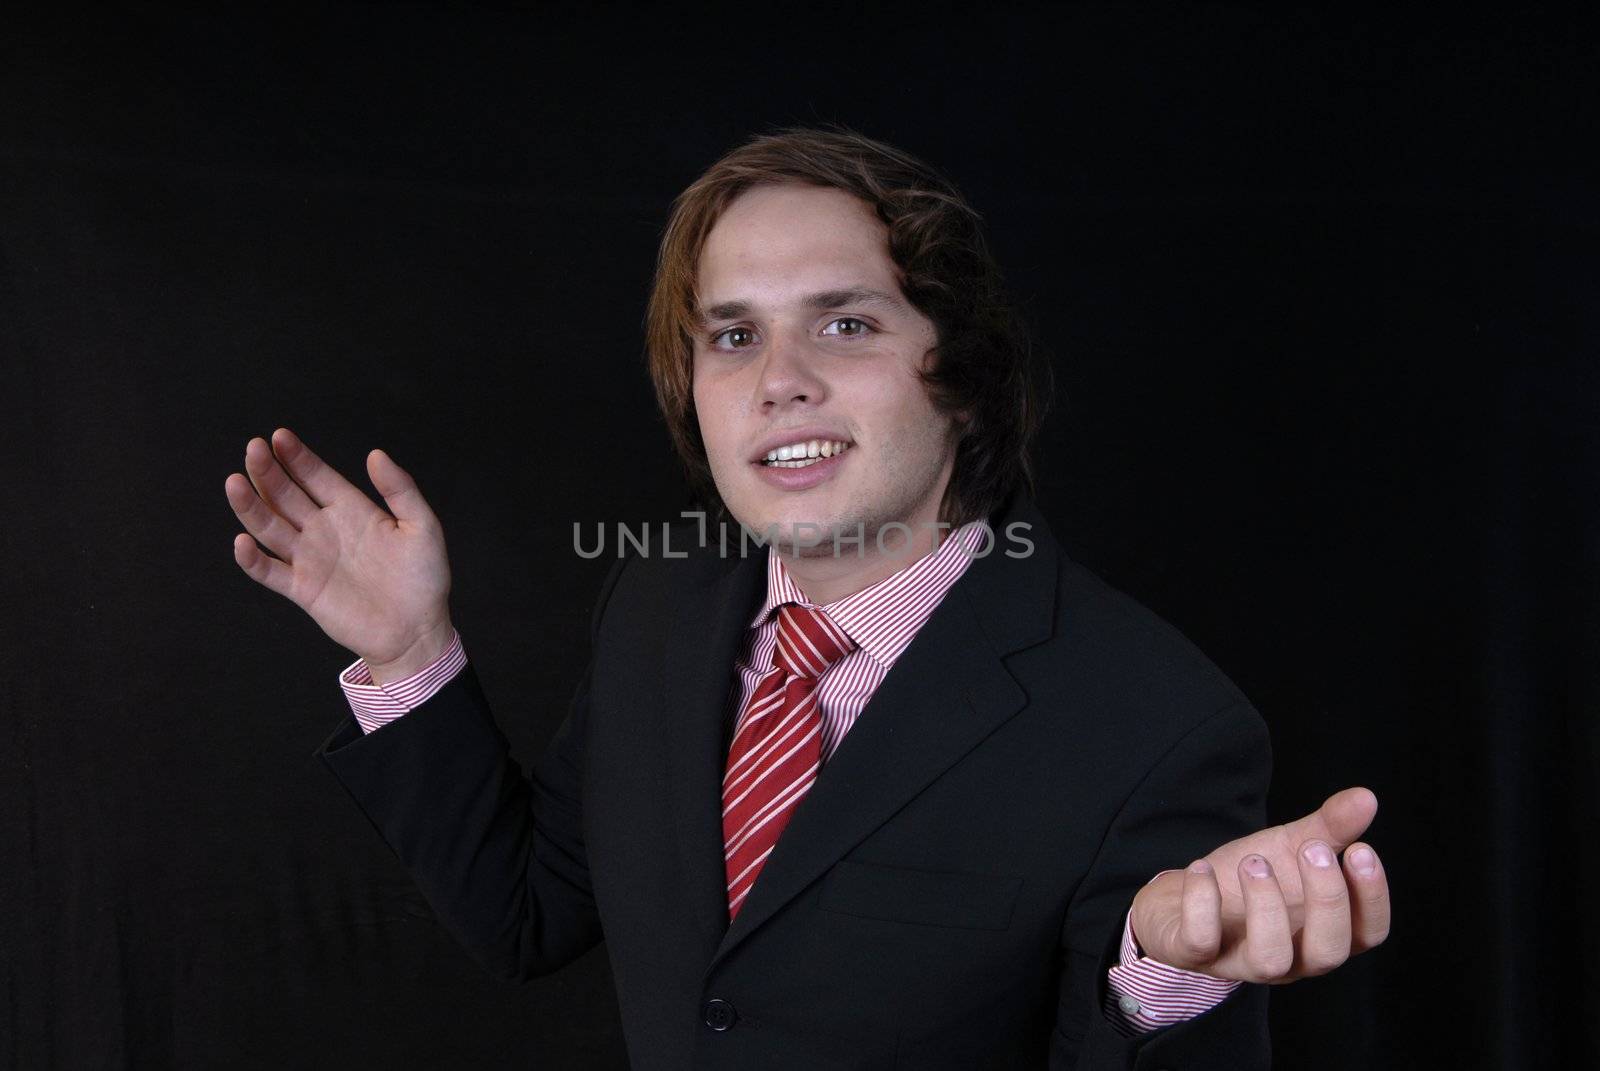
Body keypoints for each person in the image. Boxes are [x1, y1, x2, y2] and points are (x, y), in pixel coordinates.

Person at [223, 127, 1391, 1069]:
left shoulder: (1160, 724)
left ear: (967, 381)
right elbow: (533, 914)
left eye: (844, 323)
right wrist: (410, 655)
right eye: (733, 336)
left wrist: (1160, 974)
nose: (779, 382)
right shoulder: (661, 610)